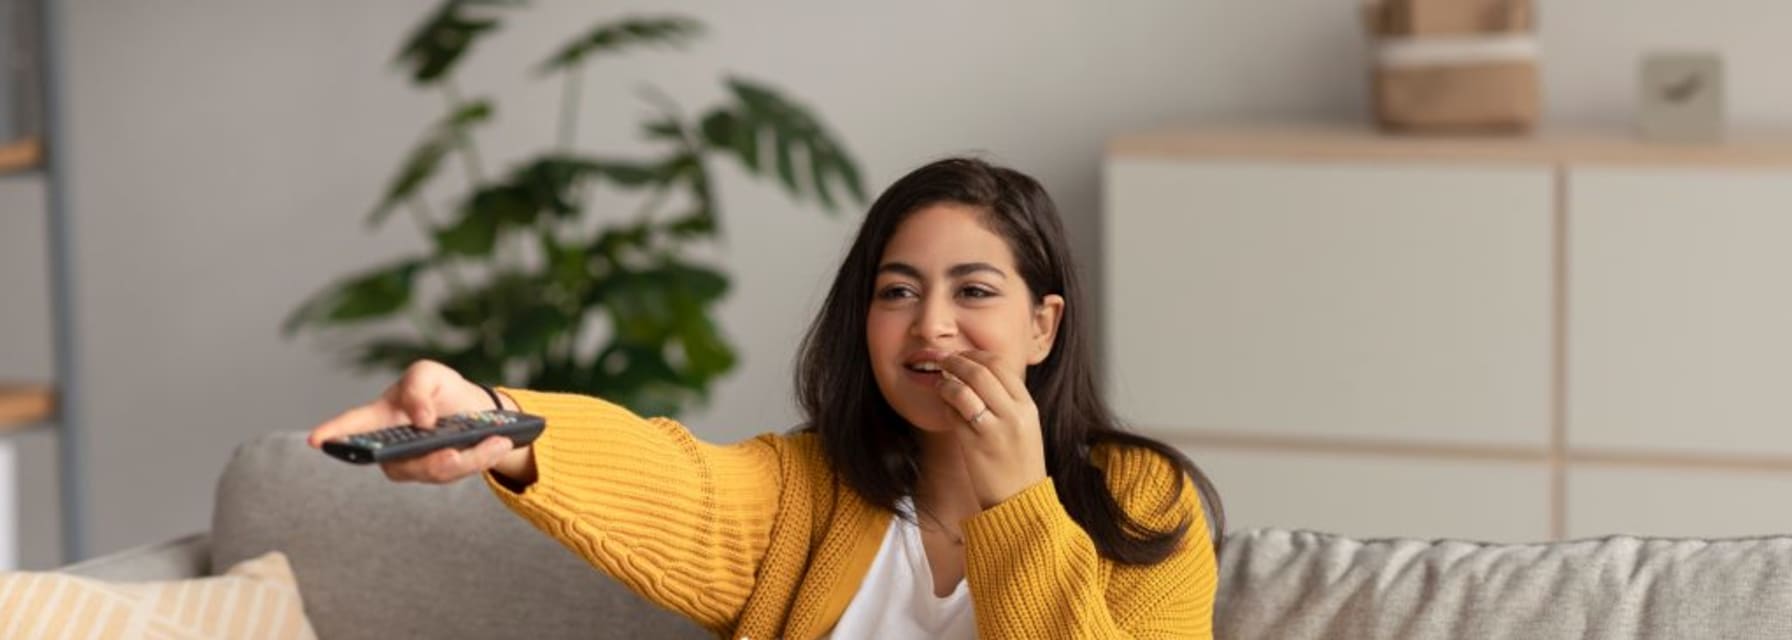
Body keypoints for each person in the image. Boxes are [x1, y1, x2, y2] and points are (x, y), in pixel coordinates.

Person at [307, 156, 1223, 639]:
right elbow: (672, 481)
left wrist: (1019, 503)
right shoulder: (807, 488)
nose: (930, 327)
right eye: (897, 292)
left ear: (1043, 327)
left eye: (974, 292)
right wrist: (495, 421)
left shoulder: (1141, 501)